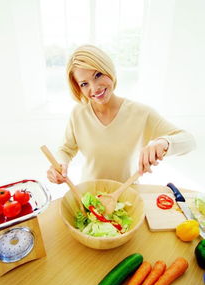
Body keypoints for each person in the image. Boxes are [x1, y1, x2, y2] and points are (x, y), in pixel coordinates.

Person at [47, 44, 196, 185]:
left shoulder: (142, 113)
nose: (95, 88)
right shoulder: (78, 113)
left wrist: (164, 142)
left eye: (98, 75)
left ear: (108, 70)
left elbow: (189, 141)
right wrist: (59, 164)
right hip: (88, 194)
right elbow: (66, 149)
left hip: (127, 194)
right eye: (84, 84)